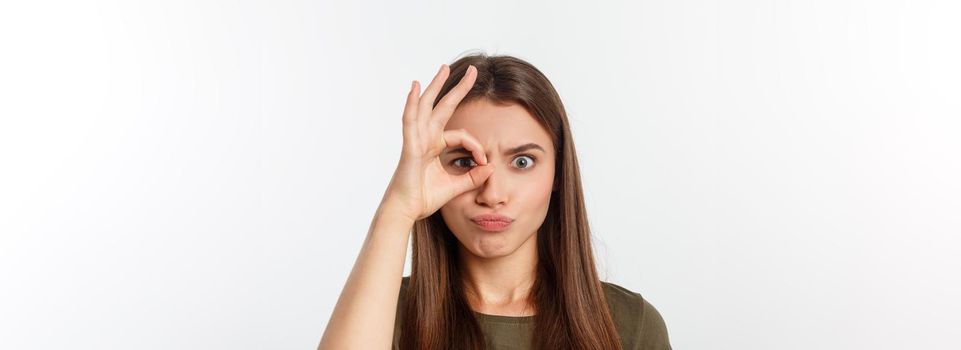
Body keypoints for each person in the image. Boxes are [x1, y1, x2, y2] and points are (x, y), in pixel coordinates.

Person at [318, 52, 672, 350]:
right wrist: (398, 207)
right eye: (464, 161)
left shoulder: (630, 325)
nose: (492, 194)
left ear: (558, 173)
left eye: (522, 162)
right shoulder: (381, 315)